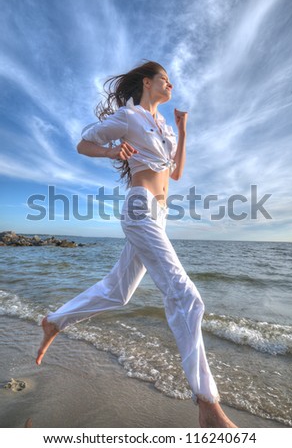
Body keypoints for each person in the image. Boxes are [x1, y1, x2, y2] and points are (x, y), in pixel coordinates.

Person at [36, 61, 237, 428]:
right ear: (148, 83)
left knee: (119, 292)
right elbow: (84, 144)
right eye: (165, 79)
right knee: (188, 297)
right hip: (139, 207)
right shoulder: (128, 117)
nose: (171, 85)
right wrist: (113, 152)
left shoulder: (164, 128)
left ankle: (54, 321)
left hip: (158, 215)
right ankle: (208, 404)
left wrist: (182, 129)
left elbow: (174, 173)